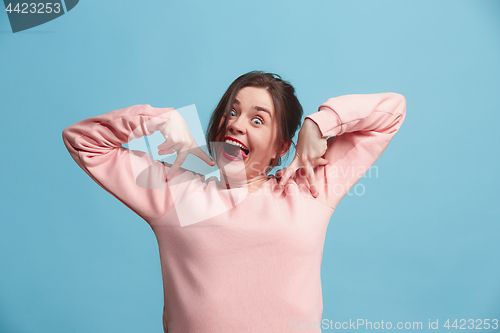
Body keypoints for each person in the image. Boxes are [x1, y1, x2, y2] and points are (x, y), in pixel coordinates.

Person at [62, 70, 406, 333]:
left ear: (281, 147)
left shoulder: (308, 187)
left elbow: (391, 111)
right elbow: (83, 142)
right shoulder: (177, 192)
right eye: (232, 113)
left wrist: (319, 125)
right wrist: (158, 120)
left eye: (258, 120)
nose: (236, 125)